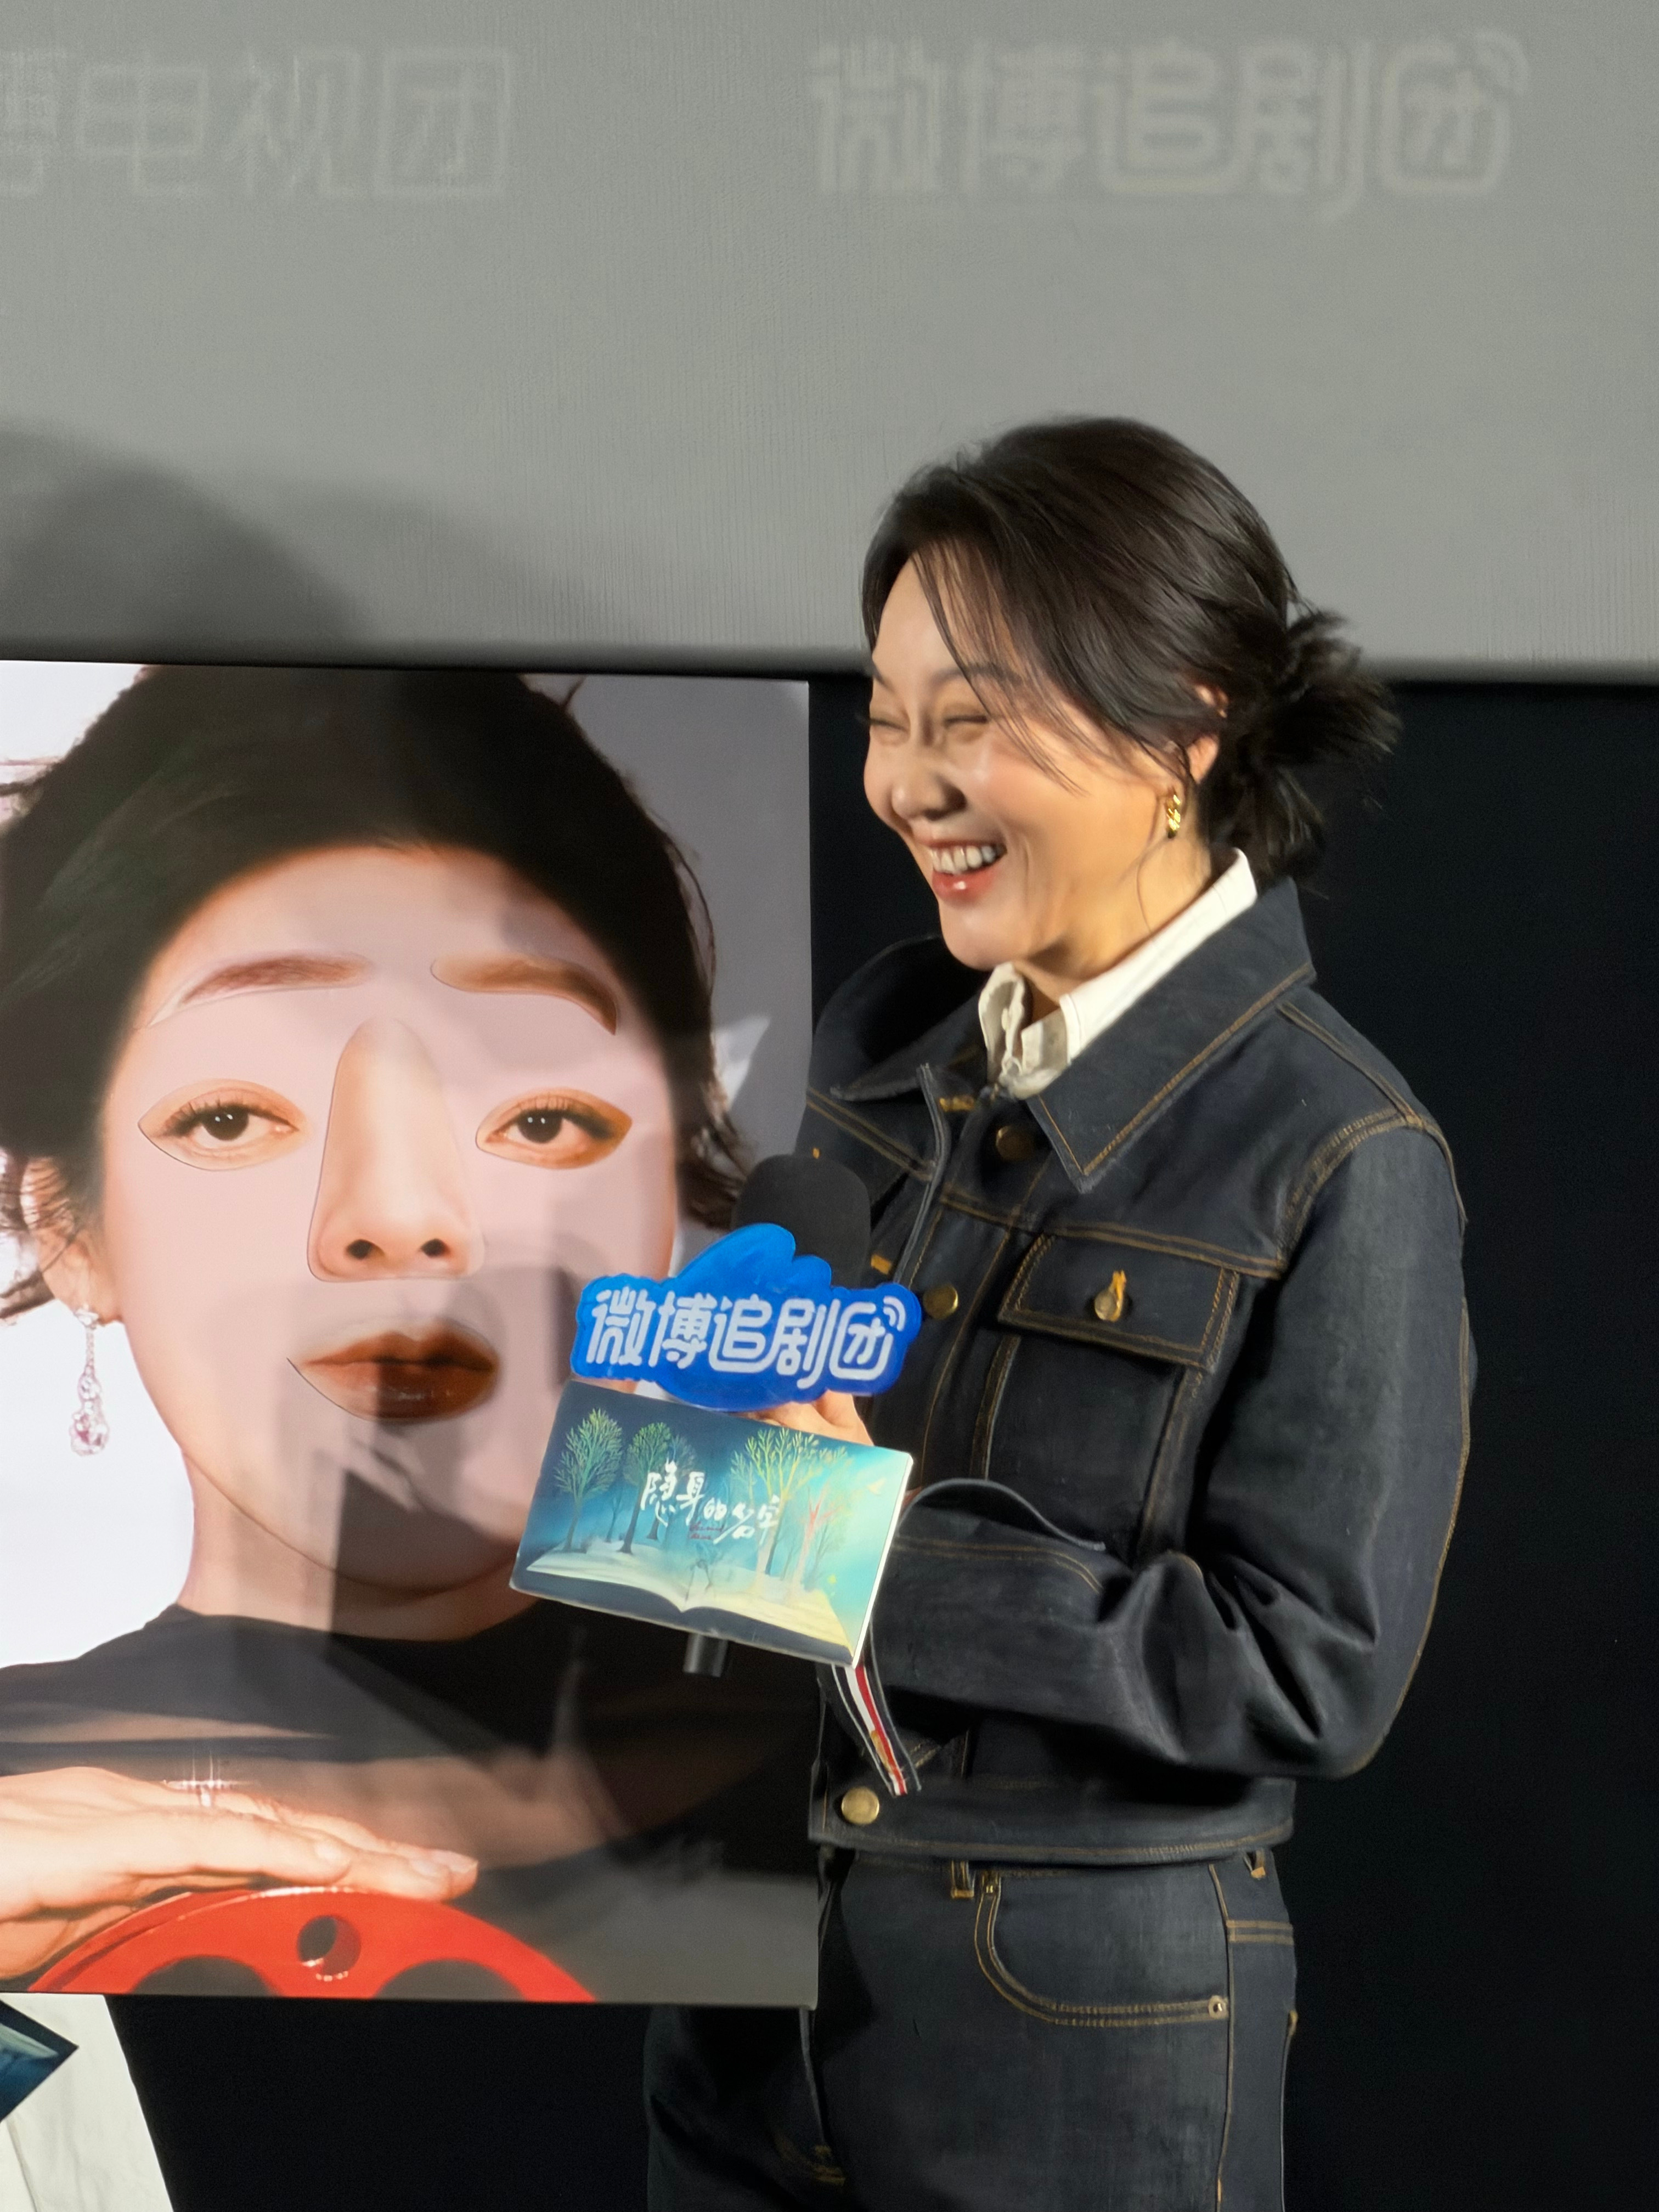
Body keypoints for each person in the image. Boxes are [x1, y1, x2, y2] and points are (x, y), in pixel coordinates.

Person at [645, 418, 1472, 2207]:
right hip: (745, 2029)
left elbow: (1307, 1670)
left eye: (971, 722)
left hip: (1072, 2052)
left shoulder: (1338, 1151)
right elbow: (714, 1506)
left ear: (1184, 731)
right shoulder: (876, 1049)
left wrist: (851, 1548)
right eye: (887, 717)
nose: (905, 783)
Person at [0, 665, 818, 2001]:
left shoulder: (885, 1722)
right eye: (234, 1119)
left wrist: (864, 1584)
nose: (398, 1220)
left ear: (669, 1199)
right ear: (69, 1227)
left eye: (541, 1119)